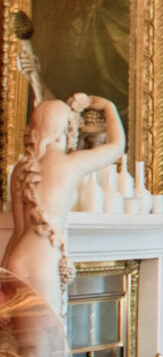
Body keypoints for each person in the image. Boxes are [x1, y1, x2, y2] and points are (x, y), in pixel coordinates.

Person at [2, 90, 124, 317]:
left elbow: (20, 227)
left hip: (13, 259)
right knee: (47, 338)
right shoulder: (69, 165)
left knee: (15, 340)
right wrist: (110, 108)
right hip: (40, 263)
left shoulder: (21, 168)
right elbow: (117, 146)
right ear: (67, 128)